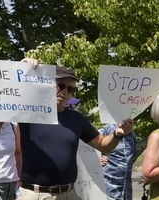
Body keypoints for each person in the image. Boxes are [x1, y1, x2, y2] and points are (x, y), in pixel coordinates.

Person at [17, 58, 134, 200]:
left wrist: (117, 134)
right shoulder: (28, 113)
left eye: (70, 89)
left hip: (69, 194)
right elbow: (7, 96)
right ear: (47, 85)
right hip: (36, 194)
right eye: (60, 86)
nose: (65, 92)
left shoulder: (76, 118)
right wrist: (22, 69)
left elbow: (103, 145)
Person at [99, 124, 137, 200]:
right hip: (108, 191)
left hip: (126, 192)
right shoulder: (107, 130)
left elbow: (133, 158)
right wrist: (98, 157)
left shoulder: (132, 135)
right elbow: (86, 147)